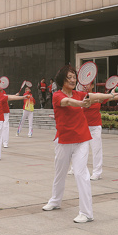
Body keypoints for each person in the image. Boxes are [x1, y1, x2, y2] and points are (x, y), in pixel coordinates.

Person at [42, 64, 93, 223]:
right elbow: (68, 102)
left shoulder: (80, 93)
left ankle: (86, 213)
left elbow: (95, 96)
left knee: (80, 173)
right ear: (61, 80)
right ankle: (55, 201)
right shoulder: (57, 95)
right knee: (60, 172)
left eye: (73, 77)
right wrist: (81, 103)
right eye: (68, 77)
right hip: (63, 140)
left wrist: (116, 96)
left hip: (82, 140)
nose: (72, 80)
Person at [76, 82, 118, 180]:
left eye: (89, 84)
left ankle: (97, 172)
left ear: (93, 86)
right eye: (84, 85)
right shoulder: (80, 96)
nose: (86, 86)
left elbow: (111, 98)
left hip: (95, 127)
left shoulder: (99, 95)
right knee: (78, 150)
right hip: (82, 126)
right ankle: (75, 168)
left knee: (96, 149)